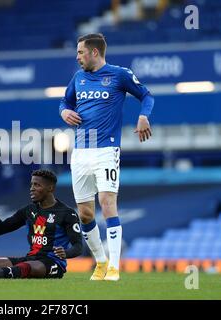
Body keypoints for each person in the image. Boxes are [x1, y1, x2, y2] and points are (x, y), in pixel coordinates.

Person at [59, 33, 154, 281]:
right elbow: (64, 102)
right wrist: (65, 113)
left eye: (80, 52)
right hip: (80, 151)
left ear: (94, 52)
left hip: (106, 150)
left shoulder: (119, 75)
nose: (77, 57)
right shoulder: (78, 78)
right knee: (86, 214)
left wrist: (143, 115)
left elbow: (146, 95)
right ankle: (100, 263)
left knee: (107, 201)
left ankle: (114, 266)